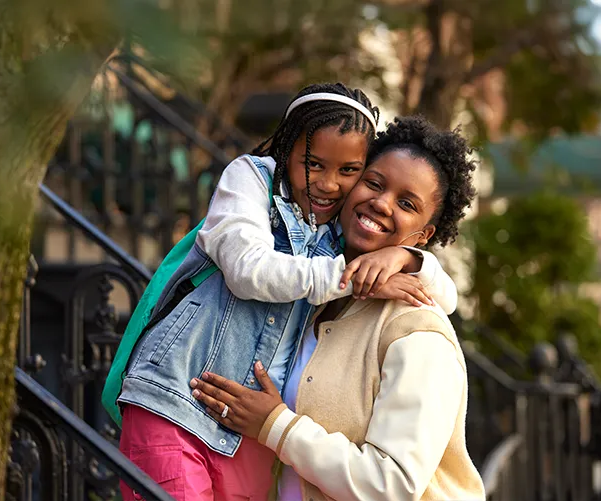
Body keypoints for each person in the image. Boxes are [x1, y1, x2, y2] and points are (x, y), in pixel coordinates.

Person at [114, 85, 456, 500]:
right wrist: (353, 274)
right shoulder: (253, 184)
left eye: (349, 170)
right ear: (287, 150)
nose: (330, 184)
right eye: (314, 164)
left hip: (248, 435)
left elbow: (446, 298)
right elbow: (248, 269)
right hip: (178, 399)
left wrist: (410, 260)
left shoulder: (345, 245)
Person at [190, 116, 485, 501]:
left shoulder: (417, 332)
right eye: (374, 183)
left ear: (424, 235)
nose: (381, 202)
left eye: (407, 203)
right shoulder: (311, 292)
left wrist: (275, 425)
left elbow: (391, 484)